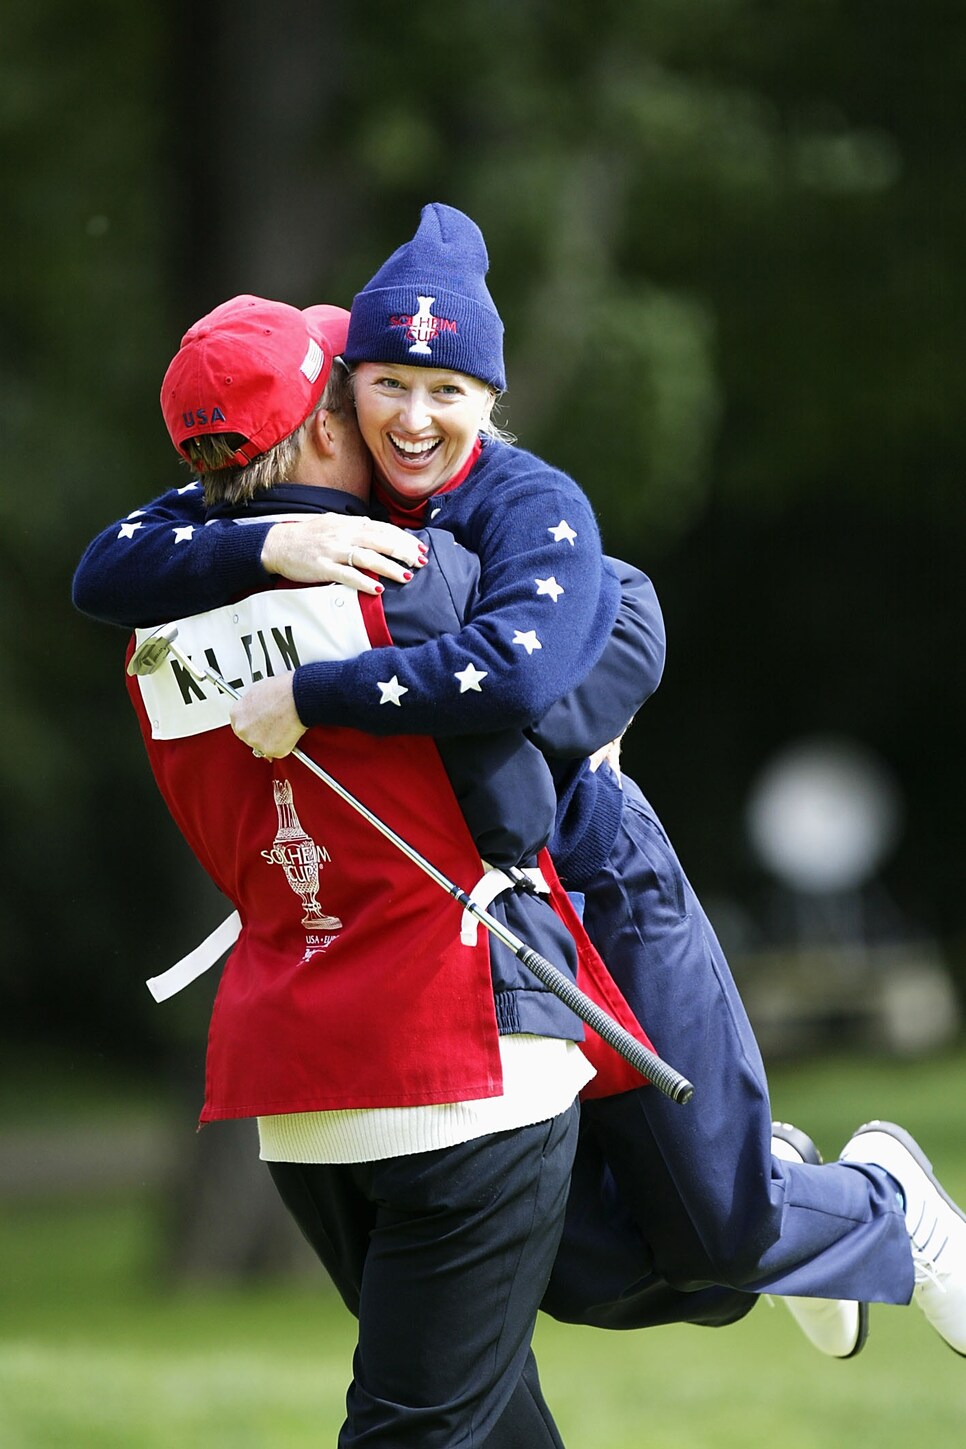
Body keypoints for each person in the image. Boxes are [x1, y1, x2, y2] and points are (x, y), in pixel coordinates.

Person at [74, 206, 966, 1370]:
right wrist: (266, 550)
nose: (409, 414)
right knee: (607, 1270)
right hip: (505, 907)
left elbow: (611, 626)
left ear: (492, 396)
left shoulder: (517, 499)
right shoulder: (302, 511)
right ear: (335, 405)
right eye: (381, 384)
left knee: (725, 1234)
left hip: (599, 869)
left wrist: (341, 697)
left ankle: (887, 1204)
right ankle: (791, 1187)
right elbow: (108, 568)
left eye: (448, 389)